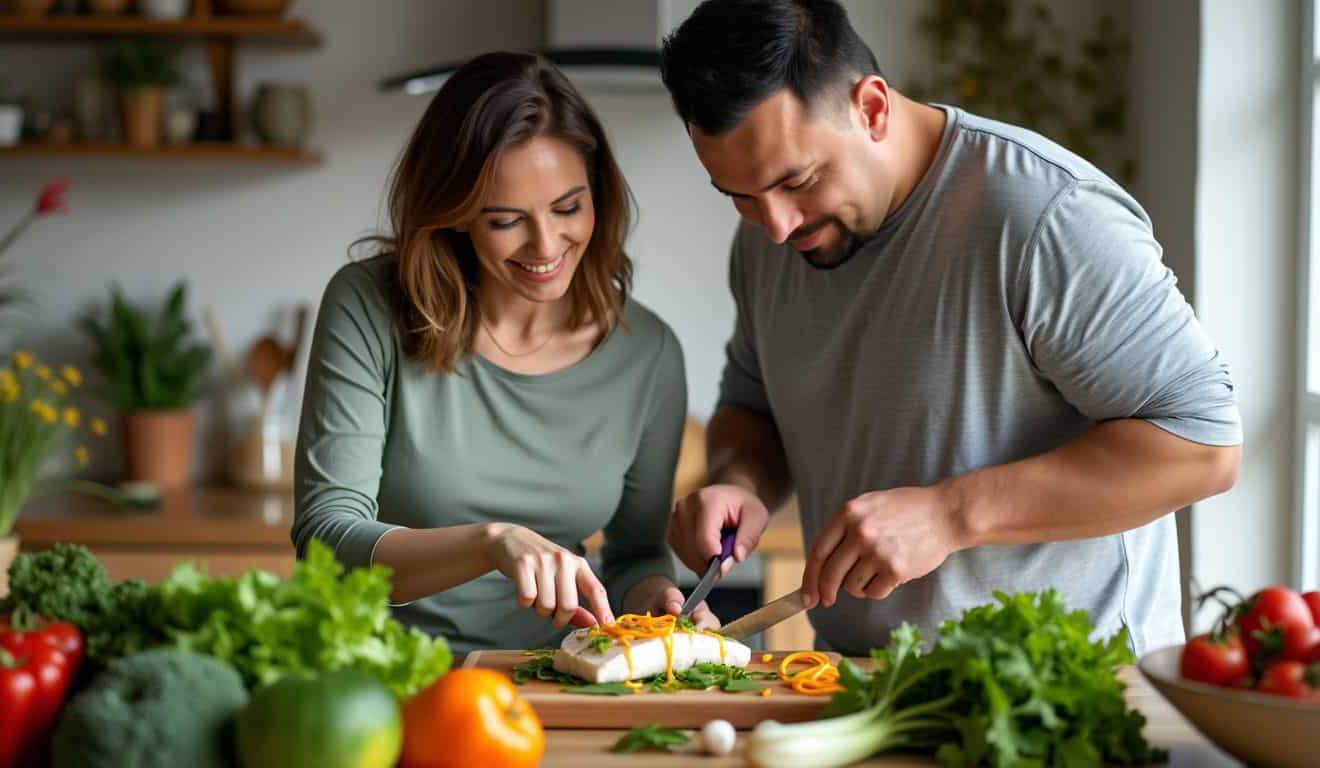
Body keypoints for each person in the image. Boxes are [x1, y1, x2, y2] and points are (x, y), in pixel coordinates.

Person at [659, 0, 1242, 656]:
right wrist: (739, 482)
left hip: (1066, 696)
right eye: (738, 195)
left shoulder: (1047, 215)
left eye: (799, 180)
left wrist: (950, 514)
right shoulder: (768, 240)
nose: (775, 226)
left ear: (872, 108)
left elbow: (1202, 448)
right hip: (861, 686)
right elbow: (752, 404)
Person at [291, 51, 716, 658]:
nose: (546, 245)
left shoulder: (647, 355)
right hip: (383, 675)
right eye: (506, 220)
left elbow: (635, 557)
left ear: (598, 191)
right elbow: (325, 541)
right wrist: (490, 543)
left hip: (558, 682)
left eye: (568, 207)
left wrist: (661, 603)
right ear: (456, 214)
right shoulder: (369, 306)